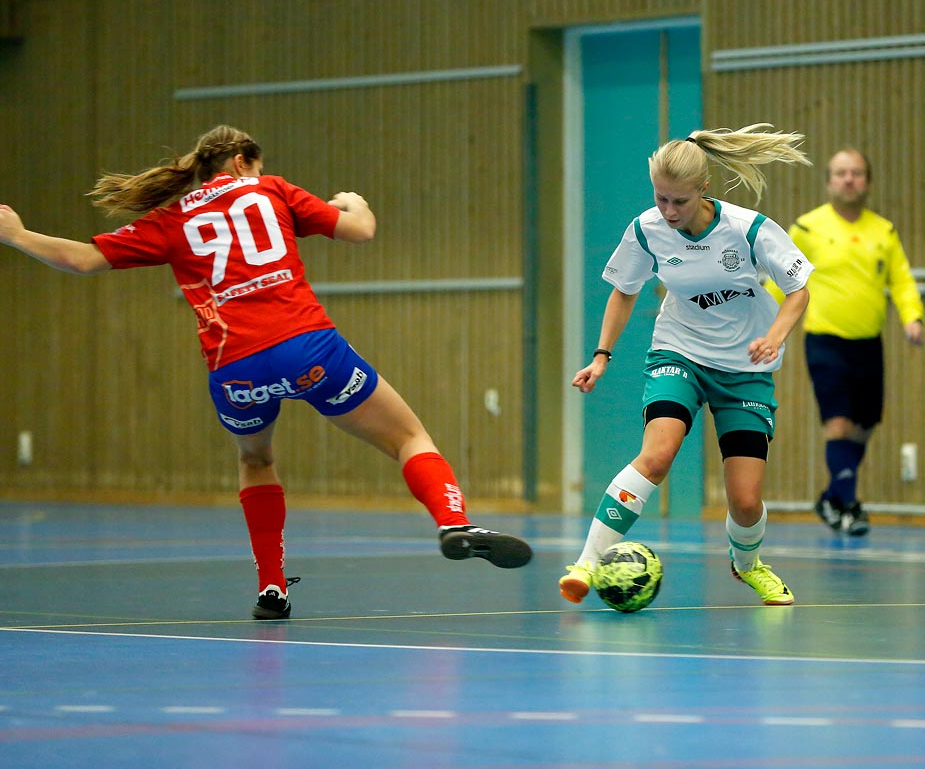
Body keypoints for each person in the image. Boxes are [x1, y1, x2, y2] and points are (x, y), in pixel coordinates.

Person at [0, 125, 532, 619]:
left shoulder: (172, 220)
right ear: (239, 161)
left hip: (236, 371)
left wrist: (19, 235)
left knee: (256, 460)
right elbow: (360, 230)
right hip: (309, 351)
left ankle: (272, 588)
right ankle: (453, 524)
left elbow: (81, 259)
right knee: (408, 437)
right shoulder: (270, 190)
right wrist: (352, 202)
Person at [564, 124, 813, 606]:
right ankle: (588, 562)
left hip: (744, 366)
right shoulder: (646, 229)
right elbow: (624, 291)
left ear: (704, 189)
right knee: (657, 455)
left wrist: (775, 335)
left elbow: (799, 289)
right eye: (661, 199)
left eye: (679, 201)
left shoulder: (749, 229)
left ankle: (748, 565)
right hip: (679, 351)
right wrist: (600, 357)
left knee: (744, 500)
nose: (669, 211)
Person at [789, 148, 925, 537]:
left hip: (869, 343)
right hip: (825, 339)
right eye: (841, 173)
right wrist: (765, 326)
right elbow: (781, 279)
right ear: (829, 181)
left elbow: (900, 279)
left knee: (864, 426)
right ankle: (849, 506)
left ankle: (832, 496)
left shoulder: (883, 230)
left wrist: (912, 317)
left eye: (857, 173)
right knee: (838, 422)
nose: (849, 179)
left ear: (867, 181)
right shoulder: (807, 228)